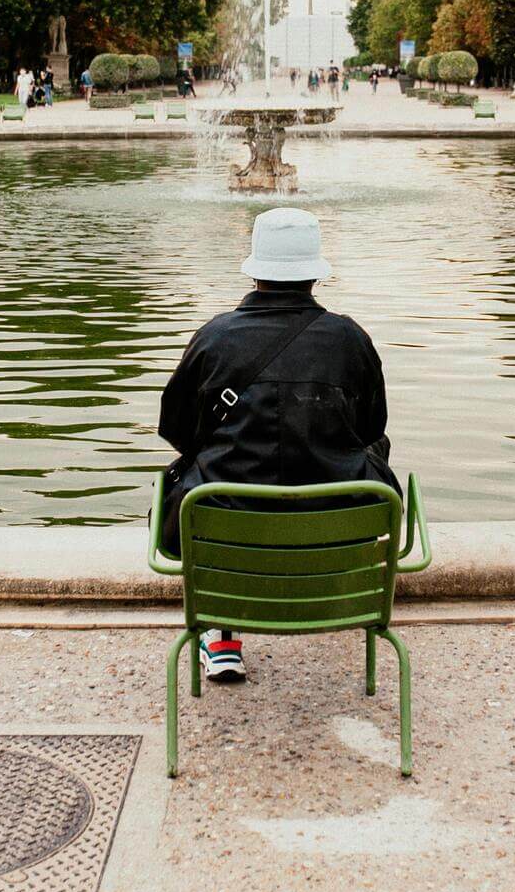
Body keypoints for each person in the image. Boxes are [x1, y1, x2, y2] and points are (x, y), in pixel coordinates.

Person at [157, 207, 397, 683]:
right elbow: (373, 426)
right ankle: (339, 597)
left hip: (226, 531)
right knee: (374, 447)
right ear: (315, 275)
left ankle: (222, 634)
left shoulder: (214, 337)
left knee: (206, 467)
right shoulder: (351, 339)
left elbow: (177, 430)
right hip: (337, 536)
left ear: (256, 270)